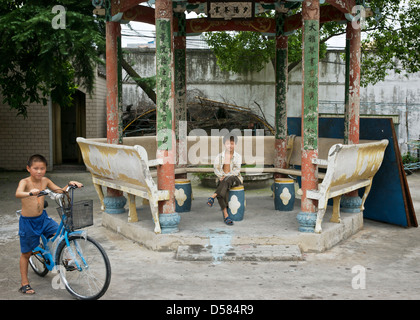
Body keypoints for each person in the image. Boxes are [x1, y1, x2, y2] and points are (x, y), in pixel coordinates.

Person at [15, 154, 83, 295]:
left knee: (59, 235)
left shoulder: (45, 180)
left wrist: (70, 184)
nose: (39, 171)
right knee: (26, 253)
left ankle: (68, 260)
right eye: (36, 168)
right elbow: (18, 193)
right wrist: (30, 193)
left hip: (43, 219)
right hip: (28, 222)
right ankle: (24, 283)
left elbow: (60, 191)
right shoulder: (25, 181)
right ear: (28, 168)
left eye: (42, 168)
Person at [207, 134, 243, 225]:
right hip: (222, 179)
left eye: (232, 143)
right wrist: (221, 176)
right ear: (224, 144)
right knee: (223, 187)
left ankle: (213, 196)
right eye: (228, 143)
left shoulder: (238, 156)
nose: (230, 146)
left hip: (235, 179)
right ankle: (226, 215)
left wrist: (226, 176)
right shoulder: (219, 156)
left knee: (227, 180)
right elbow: (216, 169)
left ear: (235, 144)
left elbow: (236, 171)